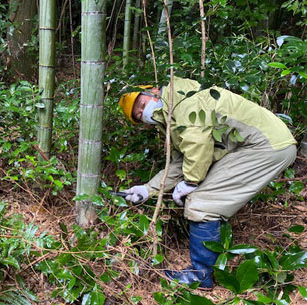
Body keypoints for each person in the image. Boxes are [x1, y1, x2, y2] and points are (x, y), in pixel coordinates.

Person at [118, 77, 297, 289]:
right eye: (138, 116)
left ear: (153, 91)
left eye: (140, 104)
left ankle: (200, 275)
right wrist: (147, 189)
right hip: (258, 145)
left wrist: (191, 182)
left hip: (265, 145)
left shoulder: (180, 96)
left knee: (202, 202)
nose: (143, 113)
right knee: (201, 197)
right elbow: (180, 161)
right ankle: (206, 268)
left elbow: (197, 142)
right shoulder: (170, 117)